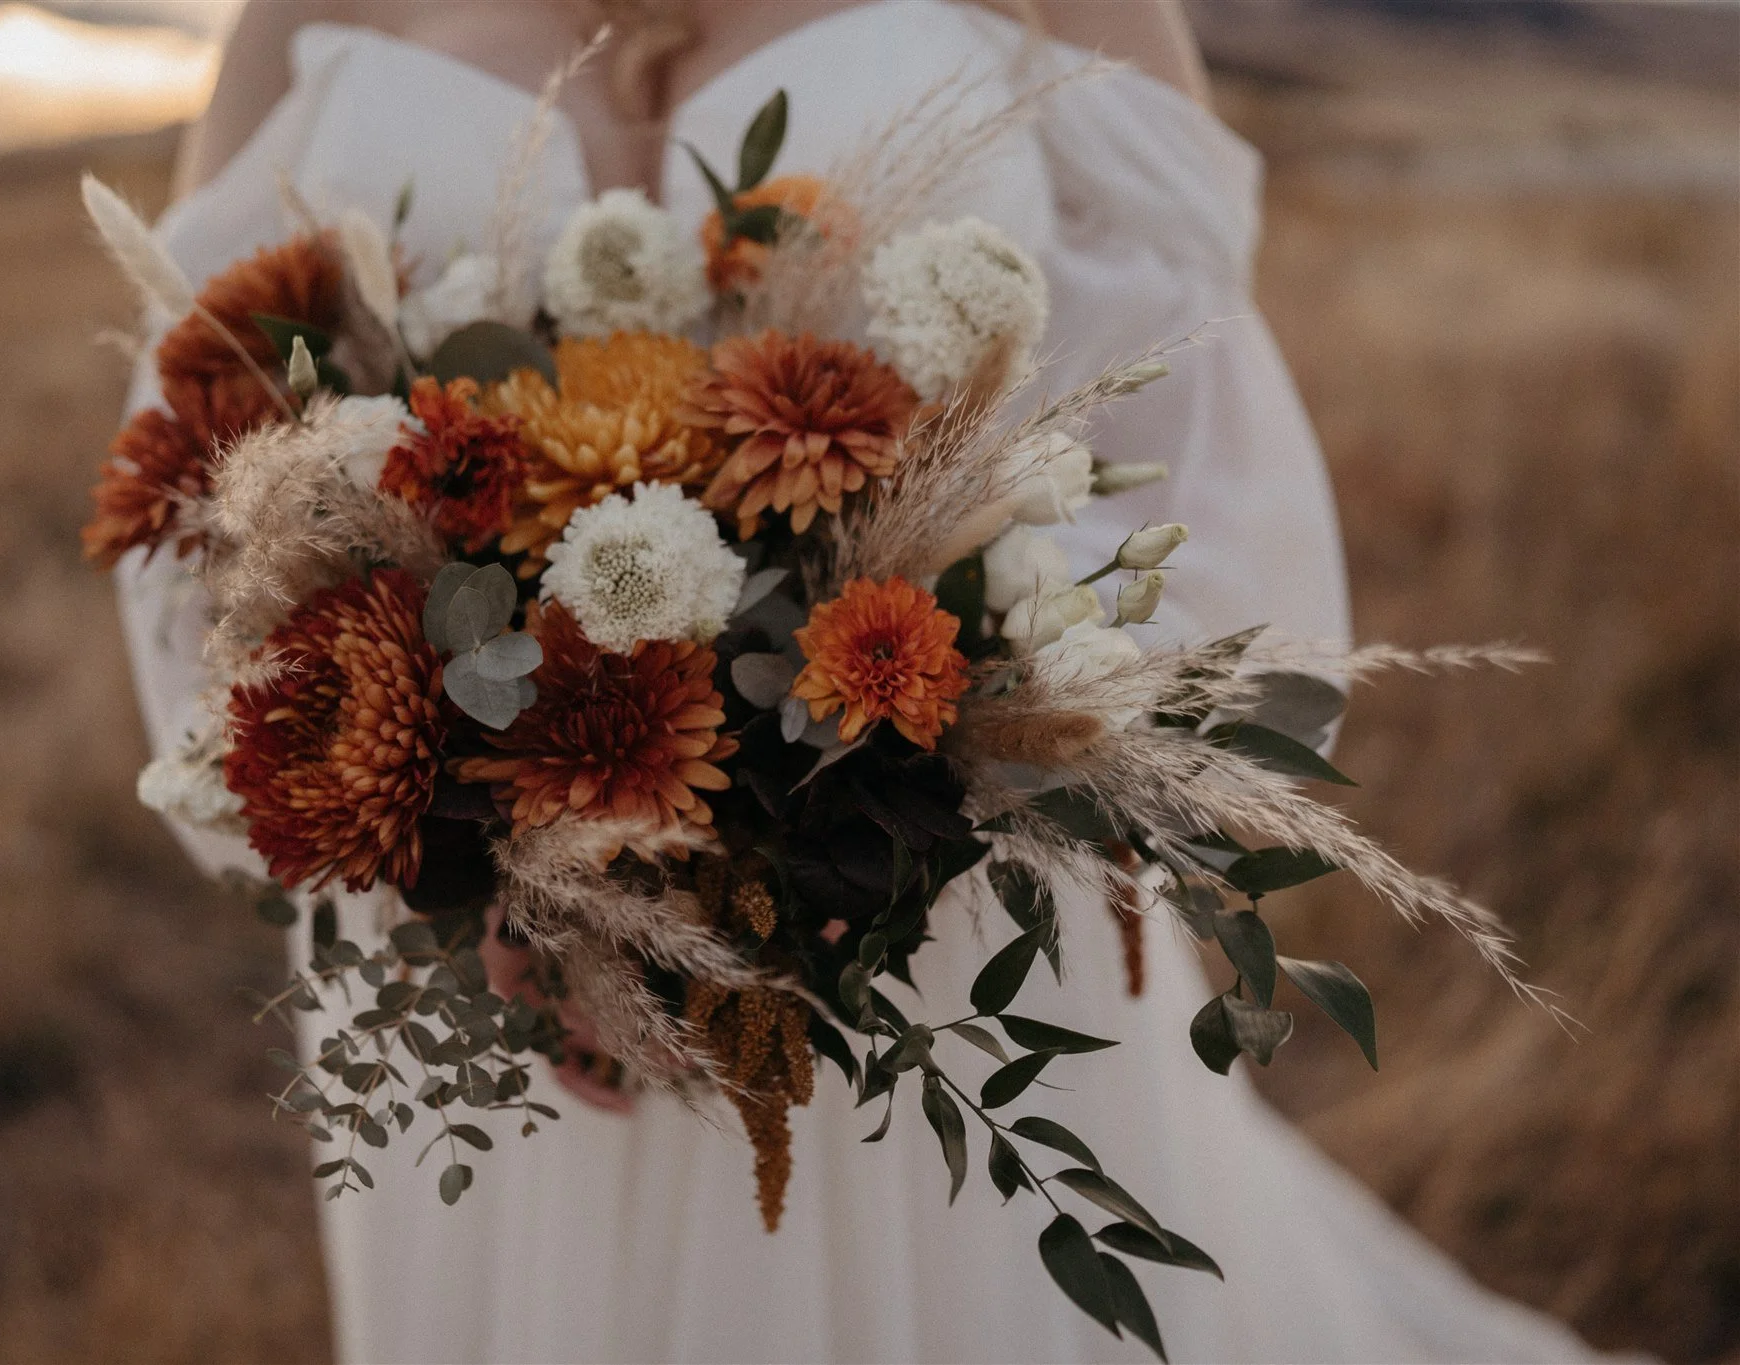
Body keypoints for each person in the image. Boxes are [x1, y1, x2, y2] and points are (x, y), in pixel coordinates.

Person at [112, 2, 1622, 1359]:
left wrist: (904, 778)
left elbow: (1189, 405)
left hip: (923, 901)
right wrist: (484, 849)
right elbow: (197, 455)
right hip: (462, 938)